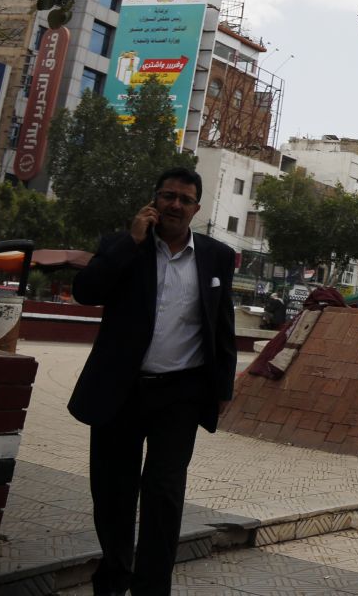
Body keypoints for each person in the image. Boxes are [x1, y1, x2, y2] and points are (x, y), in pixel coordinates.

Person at [68, 166, 236, 596]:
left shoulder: (216, 256)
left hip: (179, 394)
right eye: (168, 196)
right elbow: (86, 291)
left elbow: (222, 325)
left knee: (163, 495)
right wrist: (131, 242)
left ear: (197, 208)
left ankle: (151, 588)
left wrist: (222, 388)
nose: (175, 205)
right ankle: (113, 579)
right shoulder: (124, 246)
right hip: (120, 392)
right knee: (112, 494)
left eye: (184, 199)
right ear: (154, 201)